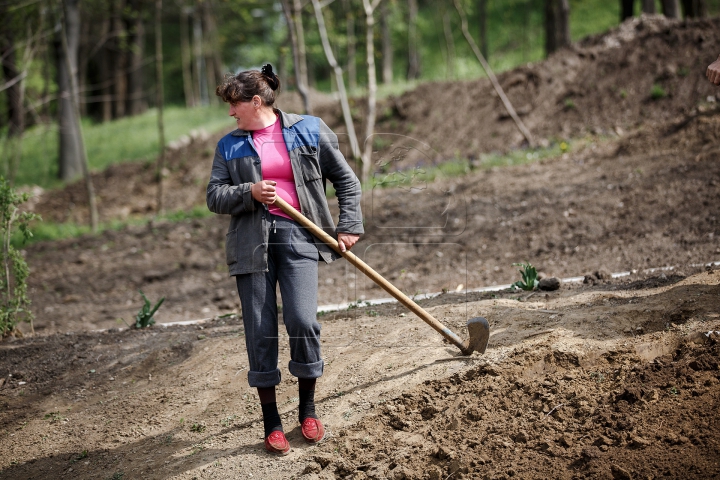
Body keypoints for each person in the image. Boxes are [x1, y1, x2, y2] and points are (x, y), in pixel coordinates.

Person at [207, 64, 363, 455]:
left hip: (298, 237)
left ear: (255, 101)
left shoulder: (308, 130)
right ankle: (271, 422)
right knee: (260, 331)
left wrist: (349, 226)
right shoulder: (229, 145)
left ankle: (308, 410)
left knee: (302, 320)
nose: (230, 113)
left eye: (234, 105)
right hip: (251, 246)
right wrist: (250, 191)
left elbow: (346, 180)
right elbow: (214, 196)